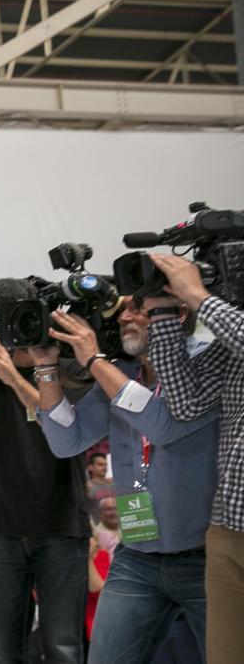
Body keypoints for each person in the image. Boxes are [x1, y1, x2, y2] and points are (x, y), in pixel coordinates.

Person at [35, 296, 218, 662]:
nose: (125, 317)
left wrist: (95, 360)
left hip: (206, 559)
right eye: (123, 310)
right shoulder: (123, 373)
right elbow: (66, 441)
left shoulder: (207, 365)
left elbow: (161, 425)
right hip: (137, 556)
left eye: (139, 308)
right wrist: (46, 368)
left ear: (176, 314)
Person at [0, 321, 89, 663]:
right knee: (4, 649)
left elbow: (63, 426)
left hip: (62, 525)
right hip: (3, 529)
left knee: (62, 647)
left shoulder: (69, 369)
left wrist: (13, 378)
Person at [145, 252, 244, 663]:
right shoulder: (231, 338)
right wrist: (166, 313)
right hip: (228, 530)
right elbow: (185, 403)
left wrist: (199, 297)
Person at [85, 452, 114, 521]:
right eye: (100, 465)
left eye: (105, 464)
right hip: (97, 527)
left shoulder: (113, 485)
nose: (104, 467)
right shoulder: (88, 487)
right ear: (90, 467)